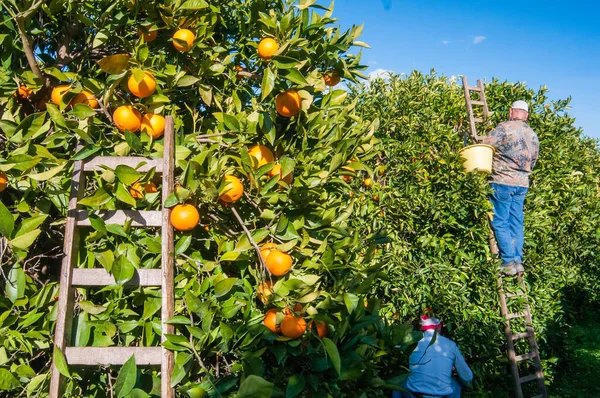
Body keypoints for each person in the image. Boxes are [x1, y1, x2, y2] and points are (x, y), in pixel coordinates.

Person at [479, 100, 539, 276]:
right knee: (516, 222)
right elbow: (533, 160)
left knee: (500, 221)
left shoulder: (504, 128)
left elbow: (486, 146)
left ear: (512, 111)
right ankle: (517, 261)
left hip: (503, 181)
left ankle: (507, 261)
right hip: (522, 184)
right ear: (526, 115)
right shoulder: (533, 135)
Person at [394, 315, 473, 398]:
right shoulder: (450, 345)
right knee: (456, 384)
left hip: (414, 395)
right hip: (443, 396)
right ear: (439, 327)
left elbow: (395, 349)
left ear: (421, 328)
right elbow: (467, 377)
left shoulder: (411, 342)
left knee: (398, 381)